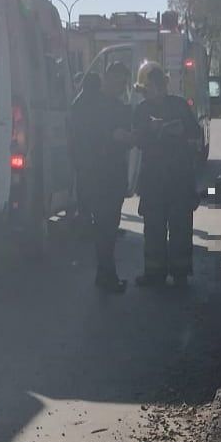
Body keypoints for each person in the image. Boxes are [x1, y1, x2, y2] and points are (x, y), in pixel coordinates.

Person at [132, 63, 202, 288]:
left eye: (159, 85)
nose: (156, 90)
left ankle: (180, 272)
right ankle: (155, 272)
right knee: (153, 228)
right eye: (151, 87)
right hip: (153, 180)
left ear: (164, 85)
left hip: (179, 178)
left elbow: (196, 135)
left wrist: (182, 134)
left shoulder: (180, 106)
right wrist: (151, 131)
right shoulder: (142, 111)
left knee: (181, 227)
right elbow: (138, 140)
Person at [74, 63, 133, 293]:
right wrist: (112, 136)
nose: (121, 87)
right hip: (100, 175)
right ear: (107, 79)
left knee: (108, 227)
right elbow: (83, 135)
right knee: (105, 227)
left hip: (110, 174)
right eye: (119, 82)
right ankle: (107, 275)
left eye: (124, 83)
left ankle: (105, 274)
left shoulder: (111, 105)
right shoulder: (91, 105)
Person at [69, 72, 102, 234]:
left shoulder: (79, 103)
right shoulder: (94, 103)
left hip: (83, 156)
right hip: (92, 155)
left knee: (85, 192)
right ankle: (89, 224)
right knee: (91, 192)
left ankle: (86, 222)